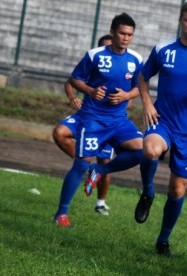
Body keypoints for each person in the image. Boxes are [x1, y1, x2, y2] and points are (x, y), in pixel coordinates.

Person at [135, 1, 187, 257]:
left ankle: (163, 240)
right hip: (162, 120)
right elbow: (142, 77)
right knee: (150, 150)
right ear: (180, 21)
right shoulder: (163, 49)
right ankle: (148, 191)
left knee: (177, 189)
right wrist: (147, 103)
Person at [54, 13, 154, 227]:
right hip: (93, 120)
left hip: (119, 121)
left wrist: (127, 96)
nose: (126, 38)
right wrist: (90, 90)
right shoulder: (95, 55)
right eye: (122, 33)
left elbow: (140, 87)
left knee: (144, 149)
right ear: (112, 31)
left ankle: (102, 170)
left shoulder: (136, 59)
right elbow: (74, 79)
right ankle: (61, 214)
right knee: (81, 165)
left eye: (130, 34)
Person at [53, 34, 115, 216]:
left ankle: (101, 203)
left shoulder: (121, 70)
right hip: (85, 115)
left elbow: (129, 101)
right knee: (59, 133)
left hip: (107, 120)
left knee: (104, 161)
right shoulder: (93, 63)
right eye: (103, 47)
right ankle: (85, 167)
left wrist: (118, 99)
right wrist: (73, 97)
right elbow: (70, 82)